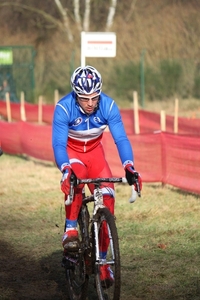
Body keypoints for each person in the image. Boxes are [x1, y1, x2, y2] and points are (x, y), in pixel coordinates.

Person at [52, 65, 142, 286]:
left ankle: (102, 262)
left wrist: (129, 166)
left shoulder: (109, 106)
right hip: (73, 154)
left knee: (108, 198)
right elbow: (58, 144)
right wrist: (65, 169)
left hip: (95, 155)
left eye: (94, 97)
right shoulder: (64, 108)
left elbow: (121, 139)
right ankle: (71, 228)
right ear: (76, 94)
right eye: (84, 98)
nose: (91, 103)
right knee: (76, 176)